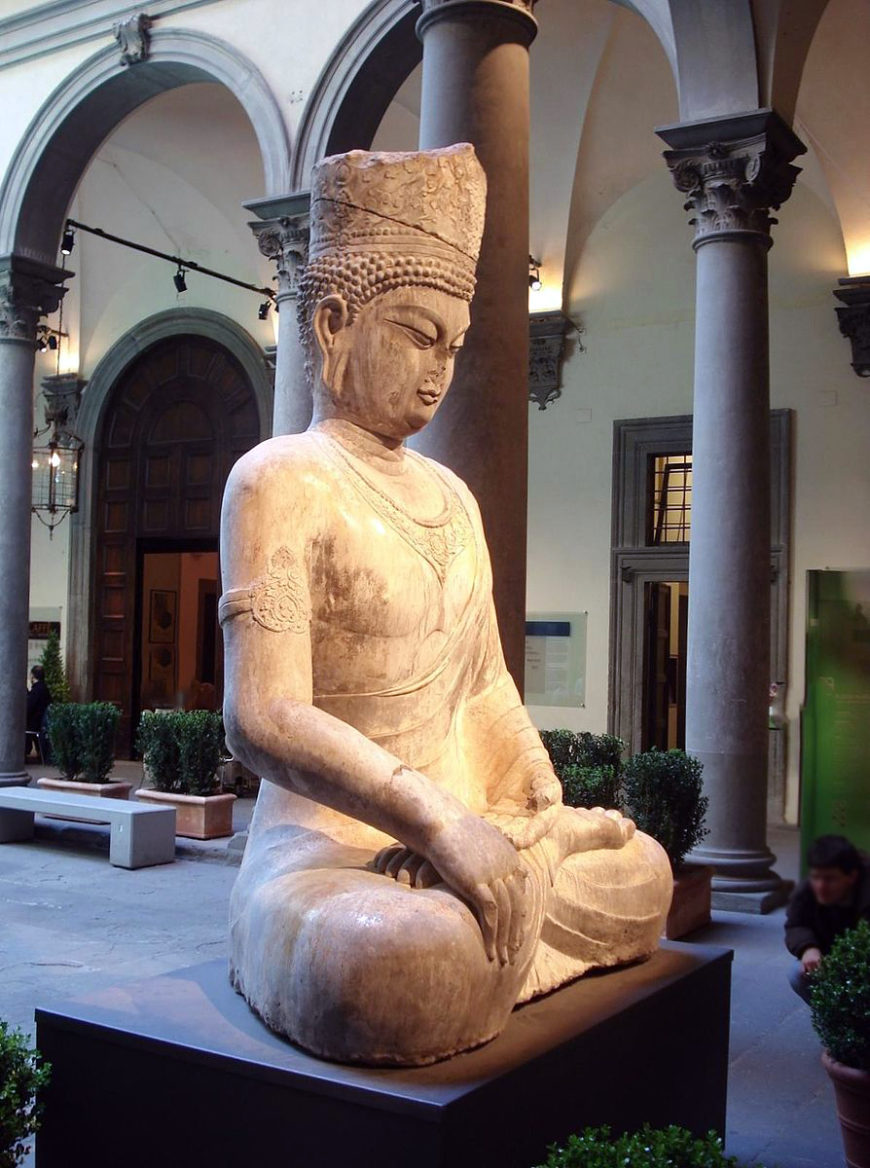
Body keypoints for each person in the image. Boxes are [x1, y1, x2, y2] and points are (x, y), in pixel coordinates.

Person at [219, 144, 672, 1067]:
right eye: (419, 335)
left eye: (455, 347)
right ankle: (500, 900)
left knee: (647, 873)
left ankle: (519, 881)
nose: (441, 371)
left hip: (466, 834)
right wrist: (433, 821)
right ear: (337, 321)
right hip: (330, 853)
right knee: (390, 961)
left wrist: (530, 781)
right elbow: (261, 716)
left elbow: (482, 685)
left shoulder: (454, 498)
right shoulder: (278, 479)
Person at [785, 834, 870, 1003]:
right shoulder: (806, 892)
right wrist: (808, 948)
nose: (821, 887)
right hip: (831, 958)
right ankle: (832, 1021)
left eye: (830, 879)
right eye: (816, 877)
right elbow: (796, 924)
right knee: (797, 973)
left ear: (851, 877)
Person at [25, 665, 51, 758]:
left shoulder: (37, 689)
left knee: (19, 725)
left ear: (33, 676)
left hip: (35, 723)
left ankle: (24, 751)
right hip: (39, 721)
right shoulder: (43, 688)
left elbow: (29, 707)